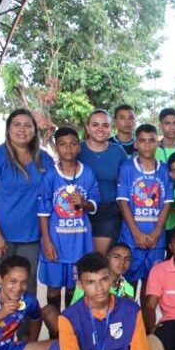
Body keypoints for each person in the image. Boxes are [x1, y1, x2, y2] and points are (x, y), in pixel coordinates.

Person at [0, 108, 53, 293]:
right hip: (0, 236)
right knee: (4, 287)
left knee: (28, 287)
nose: (22, 129)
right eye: (17, 124)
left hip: (32, 235)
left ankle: (26, 323)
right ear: (8, 129)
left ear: (35, 131)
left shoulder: (44, 159)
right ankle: (1, 322)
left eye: (28, 125)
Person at [38, 127, 99, 314]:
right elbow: (43, 213)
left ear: (79, 147)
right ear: (57, 147)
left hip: (80, 243)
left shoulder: (87, 173)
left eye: (73, 144)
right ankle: (54, 331)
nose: (68, 149)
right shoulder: (50, 175)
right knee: (54, 287)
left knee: (75, 288)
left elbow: (95, 203)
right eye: (63, 144)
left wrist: (84, 203)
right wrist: (47, 242)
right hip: (56, 243)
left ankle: (71, 329)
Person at [117, 123, 173, 293]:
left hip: (156, 240)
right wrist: (136, 234)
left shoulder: (165, 170)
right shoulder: (127, 168)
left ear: (158, 142)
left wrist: (156, 233)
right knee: (128, 286)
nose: (147, 145)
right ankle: (130, 319)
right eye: (142, 141)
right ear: (135, 143)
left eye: (151, 141)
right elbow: (123, 202)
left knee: (150, 288)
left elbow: (167, 204)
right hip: (131, 237)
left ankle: (147, 321)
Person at [77, 109, 129, 255]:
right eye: (95, 125)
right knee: (79, 259)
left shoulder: (118, 151)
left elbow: (125, 182)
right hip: (78, 210)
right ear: (87, 127)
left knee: (99, 259)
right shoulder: (76, 149)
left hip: (108, 210)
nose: (100, 129)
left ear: (111, 128)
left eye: (105, 125)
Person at [70, 242, 136, 305]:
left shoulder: (128, 289)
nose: (122, 262)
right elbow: (74, 311)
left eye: (127, 259)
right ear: (107, 258)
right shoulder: (89, 281)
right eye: (117, 257)